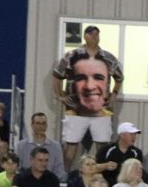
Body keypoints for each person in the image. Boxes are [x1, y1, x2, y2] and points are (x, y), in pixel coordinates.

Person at [51, 26, 123, 169]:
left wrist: (114, 94)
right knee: (71, 144)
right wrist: (60, 96)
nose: (94, 37)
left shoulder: (108, 57)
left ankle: (101, 177)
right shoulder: (71, 56)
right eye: (91, 34)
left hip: (101, 110)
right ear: (85, 36)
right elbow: (57, 76)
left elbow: (119, 77)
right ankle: (64, 176)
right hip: (75, 109)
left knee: (102, 145)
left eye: (97, 34)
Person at [16, 112, 67, 182]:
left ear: (46, 125)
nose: (41, 126)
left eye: (43, 123)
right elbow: (17, 167)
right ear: (32, 125)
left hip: (48, 184)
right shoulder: (20, 145)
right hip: (26, 183)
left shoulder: (56, 146)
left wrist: (52, 182)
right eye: (38, 123)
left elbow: (59, 169)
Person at [95, 122, 144, 187]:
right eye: (131, 134)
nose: (134, 137)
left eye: (135, 134)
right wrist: (105, 166)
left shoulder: (137, 152)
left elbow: (140, 172)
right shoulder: (106, 150)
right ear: (122, 135)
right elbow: (94, 167)